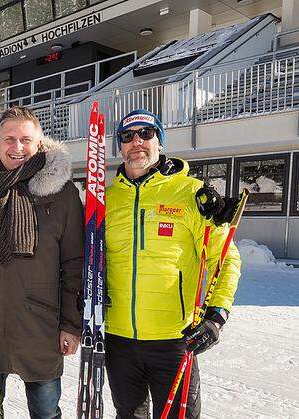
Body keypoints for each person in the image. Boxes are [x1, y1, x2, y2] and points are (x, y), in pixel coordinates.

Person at [104, 109, 242, 418]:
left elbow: (226, 259)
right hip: (119, 338)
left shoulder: (191, 194)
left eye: (146, 133)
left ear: (160, 141)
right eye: (127, 136)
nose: (136, 141)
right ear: (120, 146)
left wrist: (216, 315)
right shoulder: (106, 200)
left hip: (175, 338)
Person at [0, 106, 84, 418]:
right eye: (9, 139)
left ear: (39, 143)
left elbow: (75, 263)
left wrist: (70, 324)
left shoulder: (62, 193)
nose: (17, 147)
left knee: (45, 413)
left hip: (41, 324)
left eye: (26, 139)